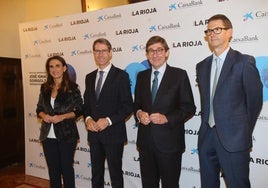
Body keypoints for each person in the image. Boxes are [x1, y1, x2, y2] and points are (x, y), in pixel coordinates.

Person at [196, 14, 263, 188]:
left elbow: (254, 102)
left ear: (229, 32)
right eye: (209, 30)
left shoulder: (243, 62)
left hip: (234, 140)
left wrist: (243, 134)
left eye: (217, 29)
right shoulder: (202, 66)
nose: (212, 34)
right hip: (206, 137)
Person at [134, 35, 196, 188]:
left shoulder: (179, 75)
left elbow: (189, 107)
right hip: (146, 143)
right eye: (151, 51)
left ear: (167, 52)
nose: (155, 54)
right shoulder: (141, 77)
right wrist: (139, 114)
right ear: (147, 55)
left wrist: (167, 118)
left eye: (159, 50)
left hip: (170, 144)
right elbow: (136, 105)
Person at [83, 38, 133, 188]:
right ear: (94, 53)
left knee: (115, 174)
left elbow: (127, 106)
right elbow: (87, 104)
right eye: (97, 51)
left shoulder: (121, 76)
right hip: (94, 135)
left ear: (110, 53)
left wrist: (108, 121)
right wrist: (88, 119)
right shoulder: (89, 77)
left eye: (104, 51)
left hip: (113, 134)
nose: (100, 54)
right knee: (96, 174)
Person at [36, 56, 83, 188]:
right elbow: (39, 108)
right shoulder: (44, 87)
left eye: (58, 66)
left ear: (64, 68)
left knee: (66, 169)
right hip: (47, 135)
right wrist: (44, 115)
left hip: (67, 134)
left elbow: (80, 110)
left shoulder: (73, 87)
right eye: (51, 66)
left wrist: (62, 117)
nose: (54, 69)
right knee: (53, 170)